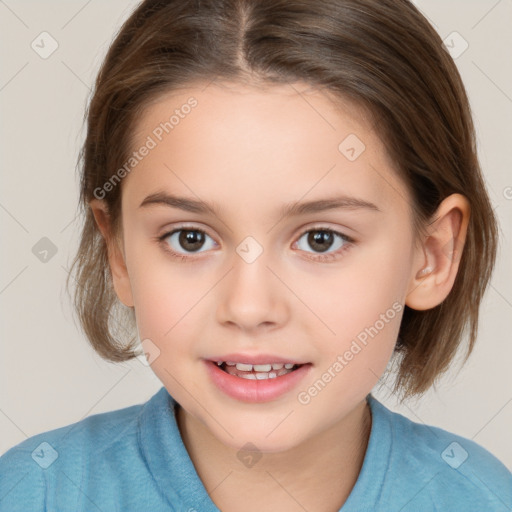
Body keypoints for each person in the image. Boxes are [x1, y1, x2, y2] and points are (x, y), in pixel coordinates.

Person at [1, 0, 511, 510]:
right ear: (118, 252)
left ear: (432, 255)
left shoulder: (484, 498)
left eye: (321, 240)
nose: (248, 307)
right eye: (190, 238)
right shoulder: (33, 493)